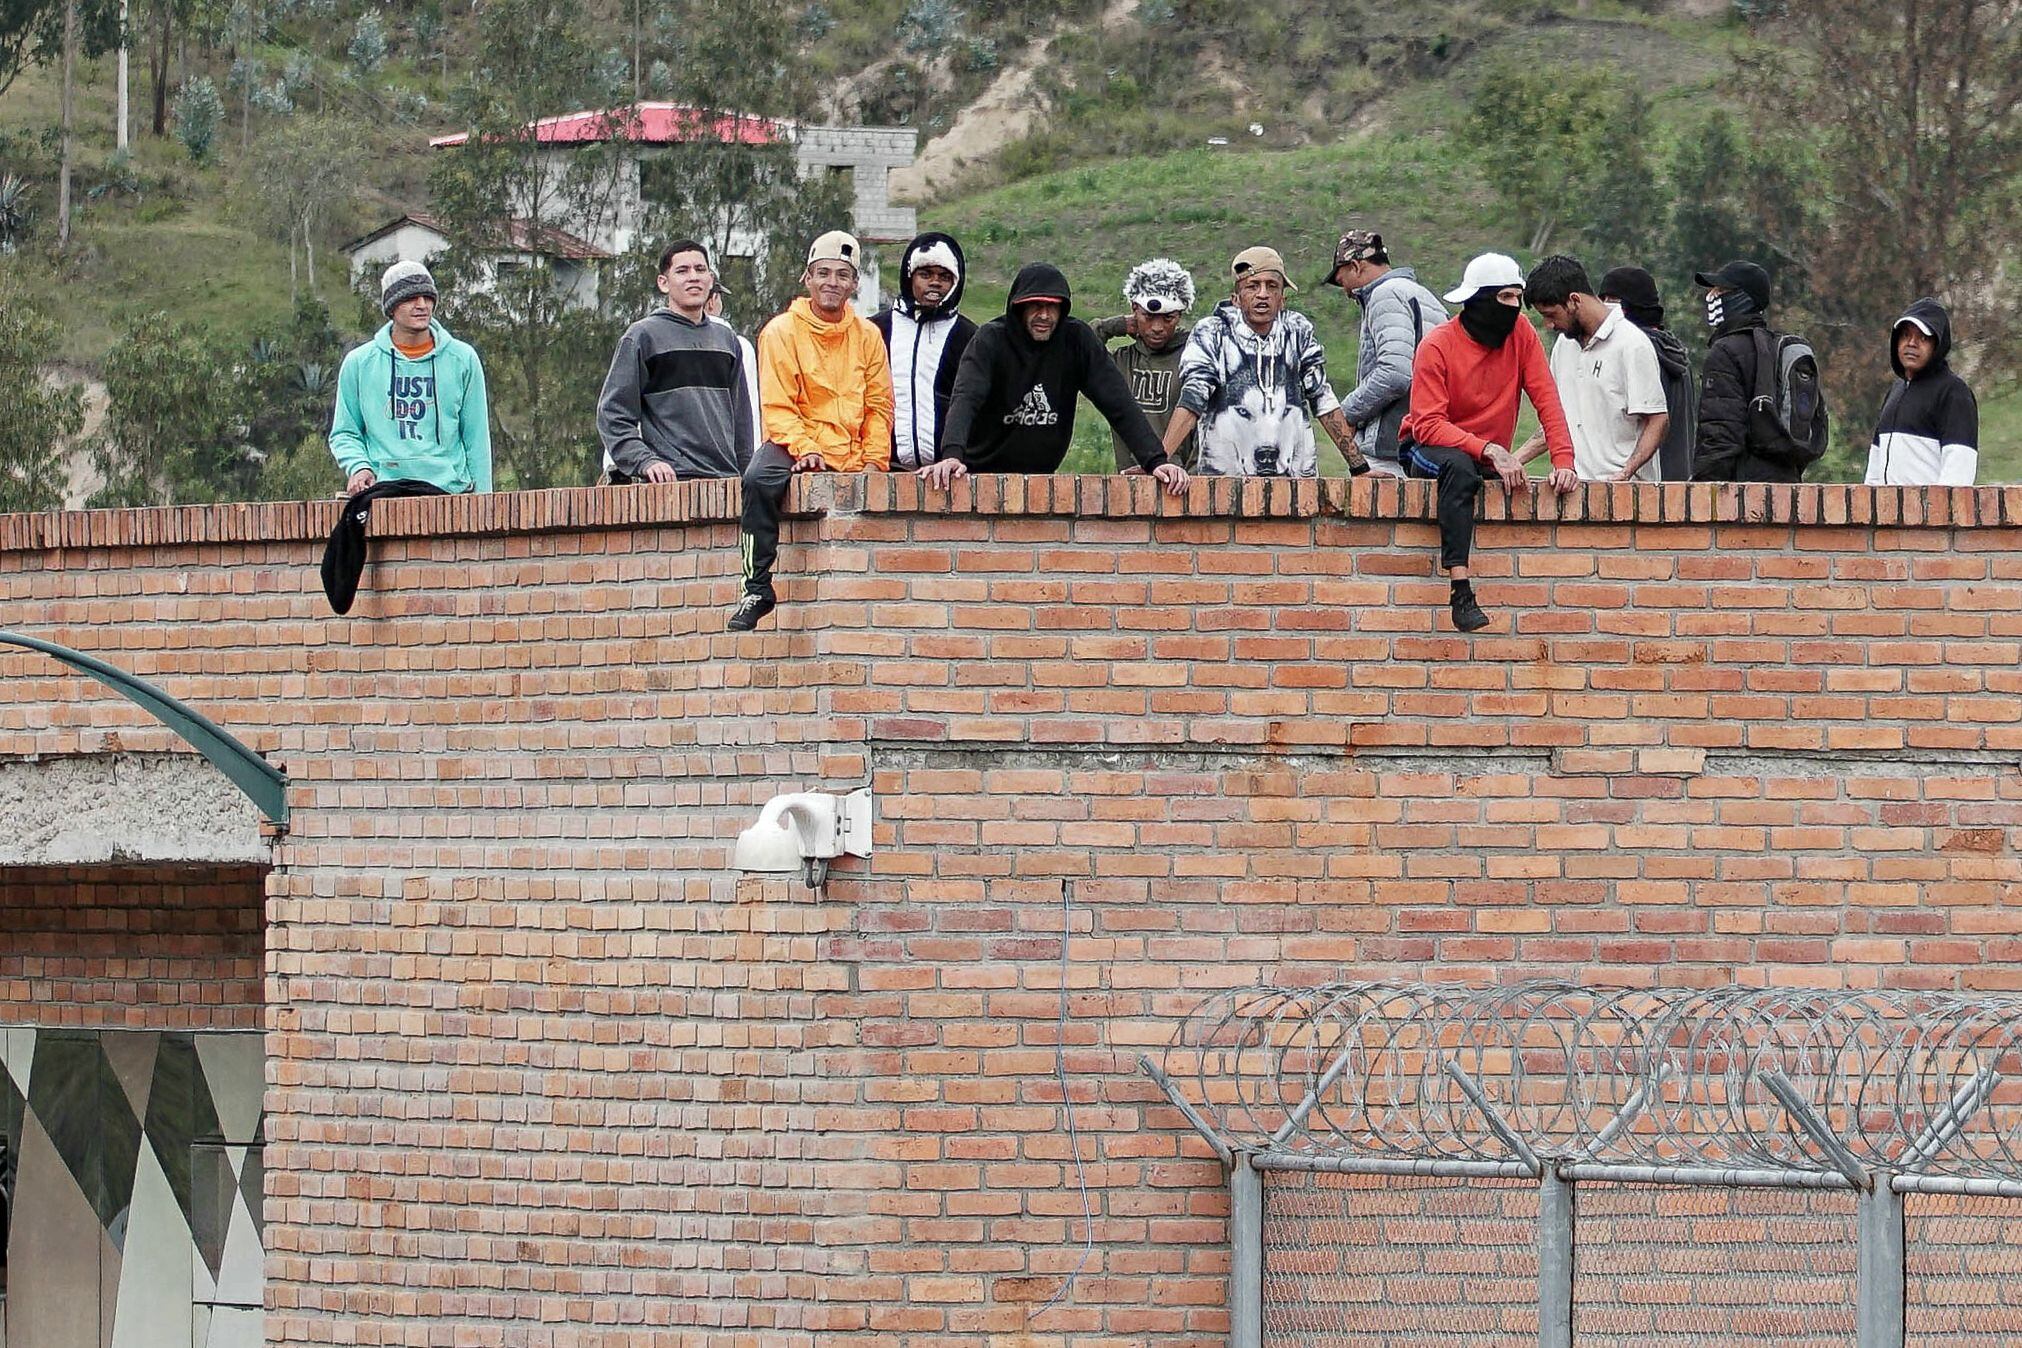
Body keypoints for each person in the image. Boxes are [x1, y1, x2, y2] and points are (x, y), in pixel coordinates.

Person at [1401, 253, 1577, 634]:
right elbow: (1428, 425)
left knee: (1478, 473)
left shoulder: (1522, 334)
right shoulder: (1437, 345)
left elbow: (1546, 398)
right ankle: (1460, 590)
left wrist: (1564, 461)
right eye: (1506, 298)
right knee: (1460, 471)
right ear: (1480, 299)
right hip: (1427, 445)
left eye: (1519, 298)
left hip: (1481, 451)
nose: (1516, 307)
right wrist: (1490, 450)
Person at [730, 230, 893, 632]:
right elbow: (778, 406)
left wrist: (875, 461)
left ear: (855, 284)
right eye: (823, 273)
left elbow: (879, 406)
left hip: (851, 446)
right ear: (807, 278)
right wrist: (805, 449)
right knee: (759, 479)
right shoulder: (781, 331)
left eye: (842, 275)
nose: (831, 283)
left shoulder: (868, 336)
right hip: (795, 440)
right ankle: (756, 586)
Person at [918, 262, 1188, 496]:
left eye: (1052, 307)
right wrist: (952, 456)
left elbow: (1118, 402)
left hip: (1042, 479)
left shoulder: (1076, 341)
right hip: (981, 475)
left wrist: (1155, 460)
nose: (1044, 316)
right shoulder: (990, 340)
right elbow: (966, 398)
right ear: (1018, 308)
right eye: (1035, 306)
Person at [1164, 247, 1370, 478]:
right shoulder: (1212, 332)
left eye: (1271, 286)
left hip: (1295, 484)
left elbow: (1322, 398)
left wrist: (1359, 467)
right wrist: (1159, 461)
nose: (1263, 294)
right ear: (1236, 299)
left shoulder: (1297, 331)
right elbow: (1193, 398)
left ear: (1282, 299)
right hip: (1224, 484)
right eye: (1253, 286)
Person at [596, 239, 755, 485]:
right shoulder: (642, 337)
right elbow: (612, 414)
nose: (693, 277)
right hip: (670, 485)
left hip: (726, 483)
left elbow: (742, 423)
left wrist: (746, 479)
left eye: (700, 270)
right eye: (682, 271)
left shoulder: (727, 341)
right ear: (663, 283)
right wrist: (645, 461)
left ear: (711, 280)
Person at [329, 259, 493, 497]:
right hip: (383, 491)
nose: (421, 305)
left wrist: (484, 501)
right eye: (410, 298)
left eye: (428, 298)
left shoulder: (463, 359)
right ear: (392, 308)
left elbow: (476, 438)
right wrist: (359, 467)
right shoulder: (359, 363)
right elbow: (345, 432)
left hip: (450, 491)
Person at [1520, 255, 1669, 483]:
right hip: (1574, 492)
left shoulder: (1632, 344)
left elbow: (1657, 419)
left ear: (1574, 300)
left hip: (1628, 496)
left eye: (1551, 315)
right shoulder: (1564, 346)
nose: (1549, 325)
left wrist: (1626, 472)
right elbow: (1556, 422)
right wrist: (1513, 460)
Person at [1323, 229, 1446, 478]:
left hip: (1390, 447)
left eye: (1341, 279)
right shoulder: (1426, 297)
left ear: (1356, 266)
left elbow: (1395, 373)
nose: (1345, 290)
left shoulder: (1384, 295)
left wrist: (1346, 413)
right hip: (1425, 443)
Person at [1690, 259, 1814, 483]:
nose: (1712, 296)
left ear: (1740, 297)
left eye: (1721, 290)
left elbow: (1720, 433)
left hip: (1742, 493)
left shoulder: (1725, 352)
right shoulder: (1775, 347)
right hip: (1787, 485)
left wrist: (1703, 489)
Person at [872, 231, 977, 471]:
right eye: (925, 274)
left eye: (944, 276)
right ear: (909, 278)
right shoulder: (876, 330)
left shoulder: (970, 336)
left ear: (956, 282)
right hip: (884, 469)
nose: (935, 282)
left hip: (948, 473)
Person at [1091, 258, 1198, 472]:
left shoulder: (1194, 356)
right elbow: (1077, 348)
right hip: (1128, 481)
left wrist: (1193, 478)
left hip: (1183, 483)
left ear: (1180, 315)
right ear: (1134, 310)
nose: (1157, 327)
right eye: (1148, 317)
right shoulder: (1121, 361)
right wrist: (1114, 325)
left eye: (1168, 318)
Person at [1866, 298, 1978, 485]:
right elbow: (1875, 465)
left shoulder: (1953, 392)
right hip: (1888, 512)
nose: (1912, 343)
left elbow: (1959, 470)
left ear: (1938, 345)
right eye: (1905, 335)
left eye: (1923, 338)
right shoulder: (1895, 391)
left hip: (1929, 512)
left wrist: (1938, 513)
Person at [1599, 266, 1696, 480]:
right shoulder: (1676, 352)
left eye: (1612, 300)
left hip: (1646, 483)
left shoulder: (1636, 350)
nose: (1604, 307)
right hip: (1682, 478)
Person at [707, 278, 762, 459]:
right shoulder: (738, 345)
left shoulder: (663, 340)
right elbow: (749, 408)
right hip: (730, 456)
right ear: (713, 301)